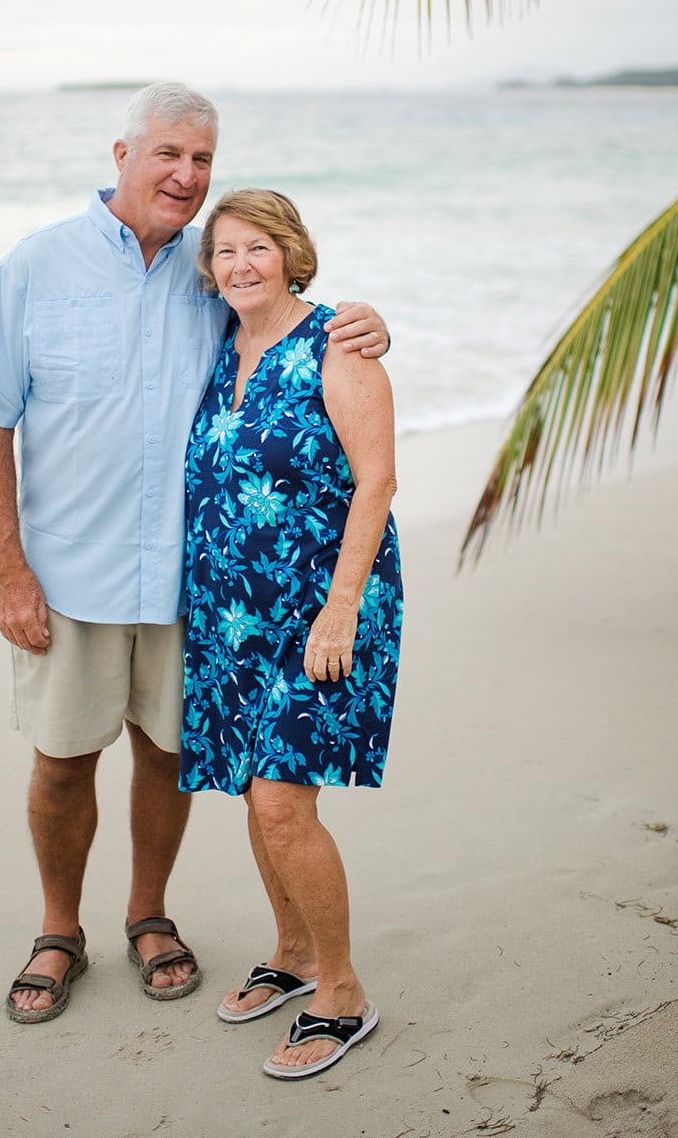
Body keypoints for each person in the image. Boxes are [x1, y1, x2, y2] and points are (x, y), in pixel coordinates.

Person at [0, 83, 390, 1024]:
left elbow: (292, 333)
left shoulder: (212, 269)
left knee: (170, 756)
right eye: (168, 155)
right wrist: (7, 569)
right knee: (63, 760)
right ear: (122, 154)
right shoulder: (37, 264)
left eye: (201, 160)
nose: (185, 176)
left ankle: (149, 915)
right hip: (68, 573)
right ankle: (59, 929)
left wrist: (368, 322)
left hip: (198, 582)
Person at [179, 189, 402, 1080]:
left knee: (281, 800)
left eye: (258, 248)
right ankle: (294, 951)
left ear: (291, 253)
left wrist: (341, 605)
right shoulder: (216, 346)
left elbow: (377, 482)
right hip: (229, 614)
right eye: (224, 251)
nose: (240, 265)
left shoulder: (337, 344)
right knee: (251, 792)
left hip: (322, 608)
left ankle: (340, 992)